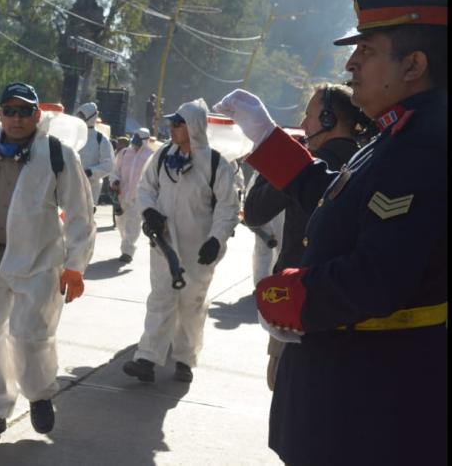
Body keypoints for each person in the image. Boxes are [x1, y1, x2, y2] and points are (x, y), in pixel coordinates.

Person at [214, 0, 447, 465]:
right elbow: (340, 201)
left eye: (366, 50)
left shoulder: (424, 145)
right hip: (356, 397)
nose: (350, 65)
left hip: (370, 407)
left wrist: (292, 298)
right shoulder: (401, 133)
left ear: (414, 65)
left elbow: (378, 277)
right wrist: (266, 138)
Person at [0, 82, 95, 437]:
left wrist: (75, 265)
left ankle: (39, 394)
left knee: (29, 336)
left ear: (37, 115)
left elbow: (80, 213)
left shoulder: (57, 154)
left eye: (24, 110)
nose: (16, 118)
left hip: (38, 261)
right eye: (9, 110)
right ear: (0, 114)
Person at [243, 84, 362, 391]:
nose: (305, 124)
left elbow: (254, 211)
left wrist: (275, 157)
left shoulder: (309, 164)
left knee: (286, 392)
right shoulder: (368, 159)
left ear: (327, 119)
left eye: (309, 116)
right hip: (346, 306)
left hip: (296, 303)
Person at [124, 99, 240, 384]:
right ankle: (147, 358)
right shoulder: (163, 155)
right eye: (172, 123)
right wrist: (149, 210)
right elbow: (146, 187)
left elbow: (228, 206)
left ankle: (185, 360)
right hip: (164, 245)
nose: (172, 128)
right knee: (161, 298)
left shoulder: (216, 164)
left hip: (199, 248)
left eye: (179, 123)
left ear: (194, 126)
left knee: (192, 303)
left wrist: (216, 239)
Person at [109, 127, 154, 263]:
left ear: (145, 141)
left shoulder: (151, 156)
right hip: (122, 195)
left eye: (138, 140)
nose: (135, 142)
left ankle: (127, 252)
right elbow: (115, 170)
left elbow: (153, 178)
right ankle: (126, 242)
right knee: (121, 223)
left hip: (138, 197)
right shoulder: (123, 153)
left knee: (133, 223)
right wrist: (114, 181)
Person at [74, 102, 114, 210]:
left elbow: (109, 165)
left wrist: (90, 172)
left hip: (91, 187)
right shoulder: (73, 134)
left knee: (85, 220)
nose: (79, 118)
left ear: (91, 117)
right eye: (79, 115)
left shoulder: (101, 139)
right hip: (70, 184)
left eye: (82, 116)